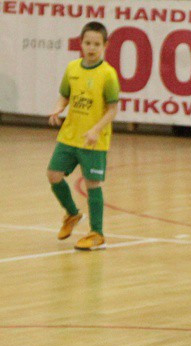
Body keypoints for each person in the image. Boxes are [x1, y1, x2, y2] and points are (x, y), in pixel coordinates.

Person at [47, 21, 119, 251]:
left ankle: (97, 233)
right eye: (87, 43)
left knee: (92, 184)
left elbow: (113, 109)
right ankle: (72, 213)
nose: (91, 48)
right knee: (53, 174)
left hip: (94, 141)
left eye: (96, 44)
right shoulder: (72, 69)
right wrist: (58, 108)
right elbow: (65, 95)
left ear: (105, 45)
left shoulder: (108, 74)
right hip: (70, 135)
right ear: (81, 43)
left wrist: (95, 130)